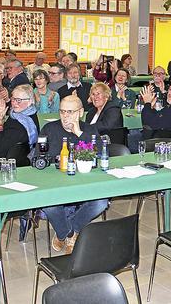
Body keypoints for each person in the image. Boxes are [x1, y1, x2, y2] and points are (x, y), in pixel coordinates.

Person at [39, 96, 107, 253]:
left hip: (84, 184)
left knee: (101, 202)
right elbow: (39, 157)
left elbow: (99, 156)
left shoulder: (89, 130)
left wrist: (79, 133)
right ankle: (67, 233)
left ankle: (71, 231)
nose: (65, 116)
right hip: (56, 184)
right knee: (48, 204)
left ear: (81, 112)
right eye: (62, 111)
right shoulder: (49, 129)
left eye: (70, 112)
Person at [0, 84, 39, 159]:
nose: (14, 103)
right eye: (13, 99)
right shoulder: (30, 114)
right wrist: (1, 118)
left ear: (30, 101)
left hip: (3, 160)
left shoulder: (17, 125)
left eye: (19, 100)